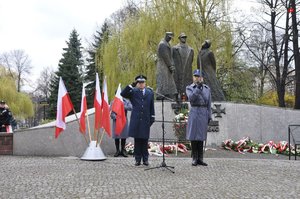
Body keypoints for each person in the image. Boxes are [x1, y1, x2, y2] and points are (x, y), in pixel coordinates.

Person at [121, 75, 155, 166]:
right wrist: (131, 85)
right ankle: (137, 159)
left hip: (146, 119)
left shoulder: (150, 92)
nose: (141, 84)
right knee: (137, 140)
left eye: (142, 82)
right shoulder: (133, 91)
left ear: (145, 83)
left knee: (145, 140)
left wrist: (152, 117)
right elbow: (123, 94)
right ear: (137, 83)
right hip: (136, 119)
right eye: (139, 82)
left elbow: (151, 105)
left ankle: (145, 159)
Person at [186, 69, 212, 166]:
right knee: (193, 135)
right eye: (196, 76)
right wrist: (197, 88)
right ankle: (194, 157)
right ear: (193, 77)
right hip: (194, 111)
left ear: (202, 78)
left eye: (199, 77)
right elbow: (191, 99)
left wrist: (209, 115)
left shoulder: (207, 88)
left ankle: (200, 158)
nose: (197, 78)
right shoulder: (189, 88)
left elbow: (208, 102)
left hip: (203, 112)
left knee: (201, 136)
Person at [156, 32, 178, 100]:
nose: (170, 39)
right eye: (169, 37)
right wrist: (170, 66)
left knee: (168, 81)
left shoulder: (167, 43)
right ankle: (162, 95)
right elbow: (166, 57)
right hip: (163, 66)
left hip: (166, 66)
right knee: (164, 81)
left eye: (171, 37)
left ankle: (168, 94)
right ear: (166, 36)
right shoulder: (162, 44)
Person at [172, 33, 194, 100]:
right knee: (177, 89)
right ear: (179, 38)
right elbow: (171, 59)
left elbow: (191, 61)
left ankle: (187, 99)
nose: (184, 38)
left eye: (185, 37)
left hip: (187, 73)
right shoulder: (174, 49)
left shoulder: (191, 50)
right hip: (177, 72)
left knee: (187, 90)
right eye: (182, 37)